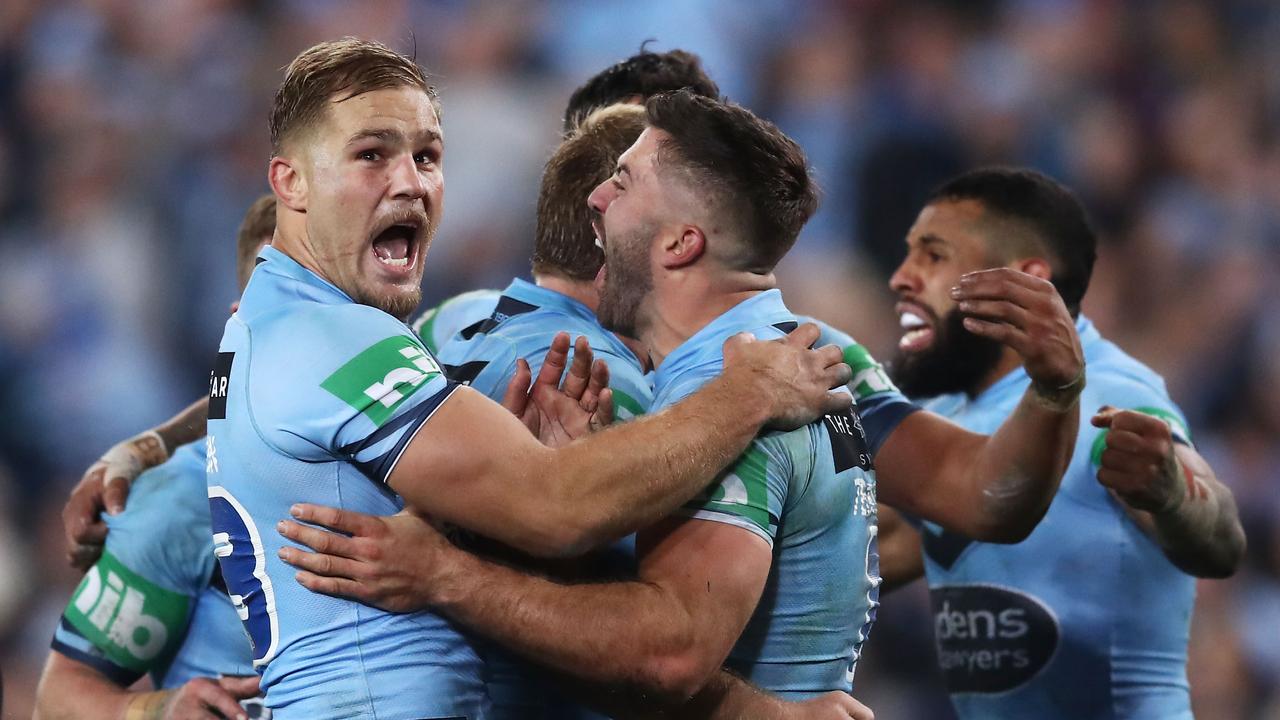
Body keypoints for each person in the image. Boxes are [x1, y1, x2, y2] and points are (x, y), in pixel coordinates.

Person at [278, 90, 1086, 717]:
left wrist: (444, 574)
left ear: (678, 243)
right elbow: (976, 497)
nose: (594, 202)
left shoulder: (734, 402)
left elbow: (668, 653)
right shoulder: (807, 355)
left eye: (621, 185)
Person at [214, 38, 849, 720]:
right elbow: (558, 510)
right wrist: (748, 393)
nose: (411, 183)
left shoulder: (295, 319)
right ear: (291, 182)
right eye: (371, 155)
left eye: (428, 156)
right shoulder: (334, 334)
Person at [875, 167, 1247, 719]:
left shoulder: (1108, 394)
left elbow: (1222, 536)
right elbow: (868, 555)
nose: (901, 277)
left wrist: (1169, 489)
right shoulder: (946, 417)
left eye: (933, 255)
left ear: (1027, 281)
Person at [35, 195, 278, 720]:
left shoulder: (430, 438)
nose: (298, 315)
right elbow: (59, 697)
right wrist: (158, 710)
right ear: (241, 322)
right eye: (277, 296)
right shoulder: (185, 497)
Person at [60, 195, 278, 571]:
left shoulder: (409, 394)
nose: (306, 311)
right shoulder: (180, 503)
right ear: (240, 320)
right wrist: (148, 448)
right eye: (280, 291)